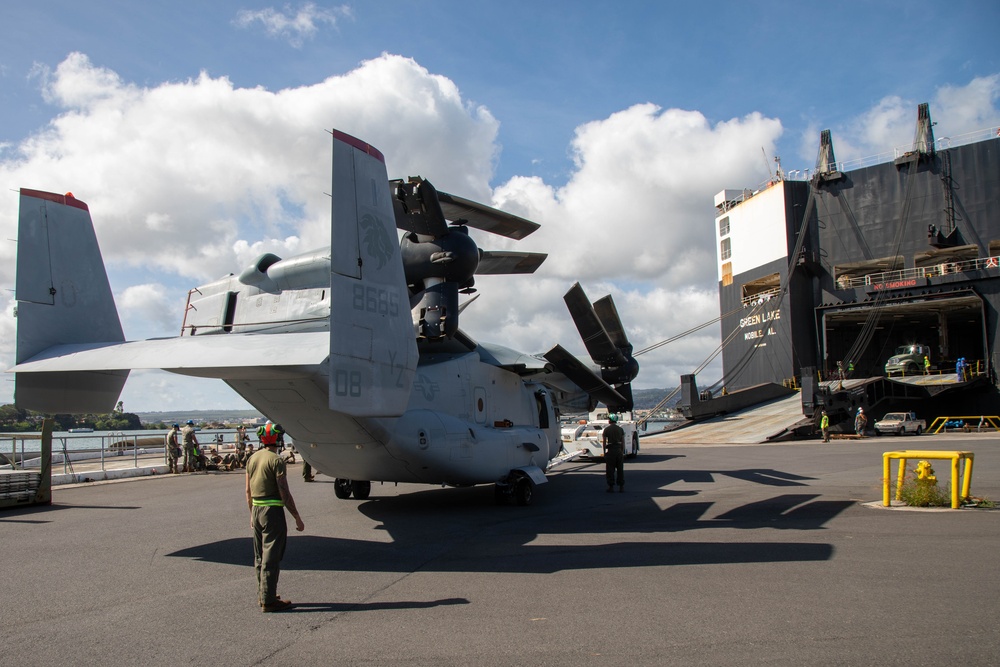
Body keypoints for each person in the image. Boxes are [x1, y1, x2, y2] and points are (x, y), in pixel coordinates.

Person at [245, 426, 304, 613]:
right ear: (278, 439)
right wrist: (297, 517)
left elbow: (247, 490)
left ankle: (263, 594)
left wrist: (251, 514)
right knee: (272, 555)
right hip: (272, 510)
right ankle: (269, 601)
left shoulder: (252, 458)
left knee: (259, 556)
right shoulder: (277, 460)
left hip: (256, 507)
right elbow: (284, 492)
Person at [602, 414, 626, 493]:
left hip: (611, 450)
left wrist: (604, 452)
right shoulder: (620, 429)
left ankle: (611, 486)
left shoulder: (607, 429)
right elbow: (623, 441)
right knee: (620, 469)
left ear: (610, 420)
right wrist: (622, 451)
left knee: (610, 470)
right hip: (618, 450)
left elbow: (604, 442)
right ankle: (621, 486)